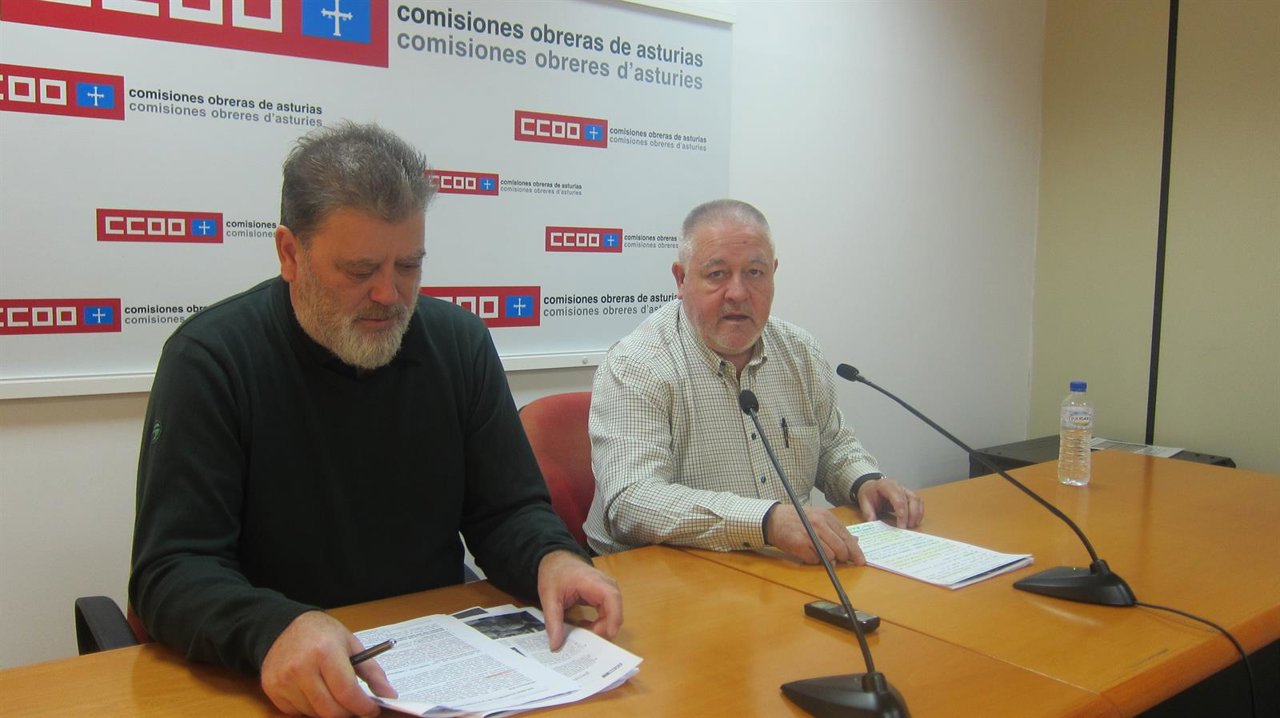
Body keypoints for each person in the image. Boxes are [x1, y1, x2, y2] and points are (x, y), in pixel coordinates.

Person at [130, 121, 622, 718]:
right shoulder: (212, 360)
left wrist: (553, 557)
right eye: (360, 271)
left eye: (409, 266)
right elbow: (171, 570)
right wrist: (271, 629)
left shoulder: (458, 344)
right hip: (281, 676)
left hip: (439, 664)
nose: (390, 295)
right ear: (290, 253)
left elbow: (507, 511)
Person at [583, 199, 923, 565]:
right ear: (681, 279)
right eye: (717, 274)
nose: (738, 293)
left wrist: (865, 482)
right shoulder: (638, 365)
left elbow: (831, 446)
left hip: (781, 568)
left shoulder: (800, 352)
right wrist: (765, 521)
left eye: (755, 273)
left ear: (773, 273)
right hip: (664, 578)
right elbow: (632, 500)